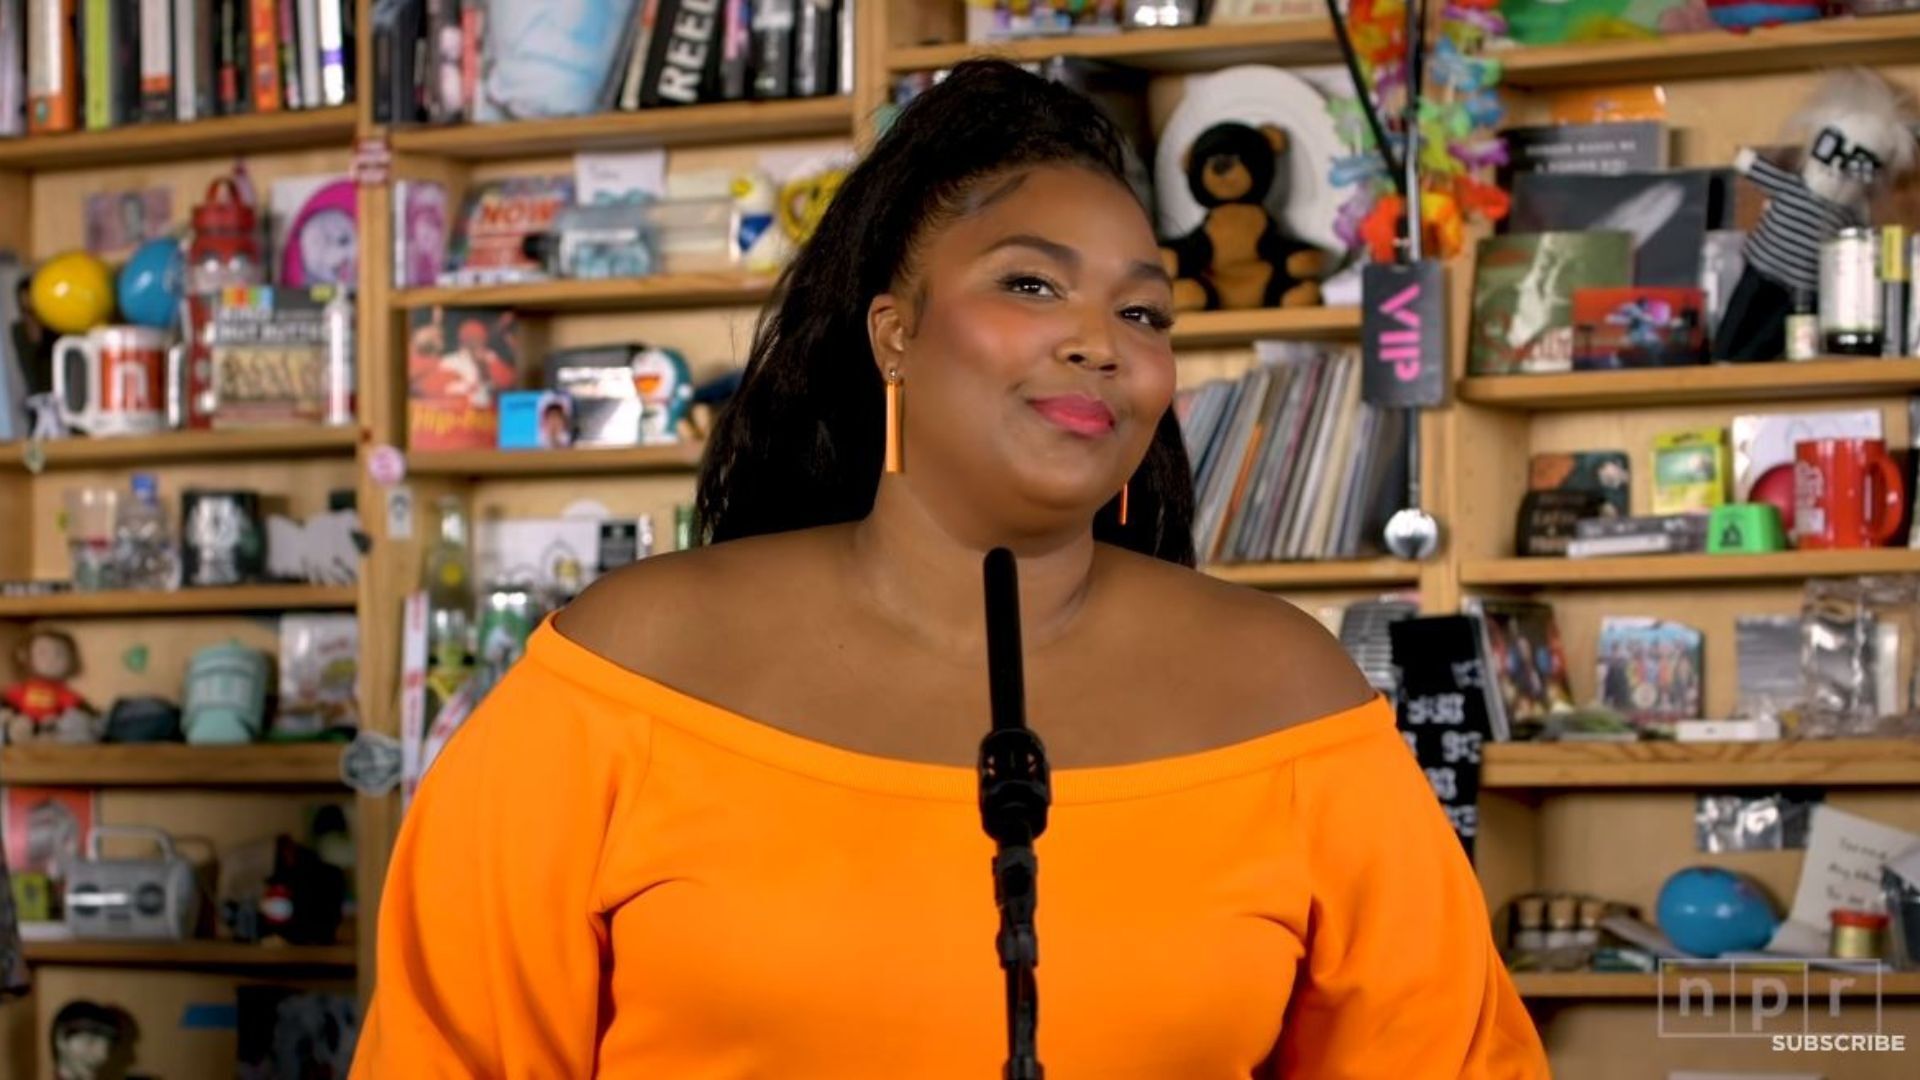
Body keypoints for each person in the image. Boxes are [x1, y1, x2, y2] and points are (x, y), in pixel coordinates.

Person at [351, 60, 1547, 1077]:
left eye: (1145, 315)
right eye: (1031, 284)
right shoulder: (621, 675)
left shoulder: (1295, 699)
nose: (1099, 341)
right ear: (895, 333)